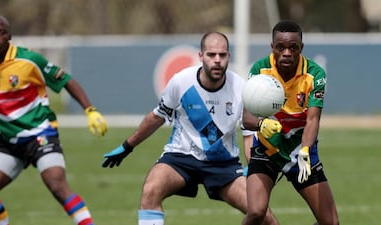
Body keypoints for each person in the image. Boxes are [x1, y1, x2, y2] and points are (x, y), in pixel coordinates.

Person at [101, 32, 278, 225]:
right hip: (180, 158)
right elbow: (156, 117)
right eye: (211, 55)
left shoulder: (241, 88)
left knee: (263, 214)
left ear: (229, 56)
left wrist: (253, 169)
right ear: (201, 56)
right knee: (151, 190)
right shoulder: (181, 82)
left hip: (223, 164)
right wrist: (128, 146)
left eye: (222, 55)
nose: (217, 60)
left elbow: (248, 134)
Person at [0, 15, 108, 225]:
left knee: (57, 185)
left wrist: (90, 110)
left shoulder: (29, 61)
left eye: (1, 32)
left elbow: (66, 80)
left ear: (9, 36)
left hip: (41, 134)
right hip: (9, 139)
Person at [241, 20, 339, 225]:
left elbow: (313, 119)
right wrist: (261, 125)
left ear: (301, 48)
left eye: (293, 48)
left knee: (331, 222)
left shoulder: (315, 74)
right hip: (268, 150)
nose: (287, 52)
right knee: (257, 212)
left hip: (299, 152)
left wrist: (305, 150)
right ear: (272, 47)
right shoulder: (259, 69)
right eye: (281, 47)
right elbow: (247, 118)